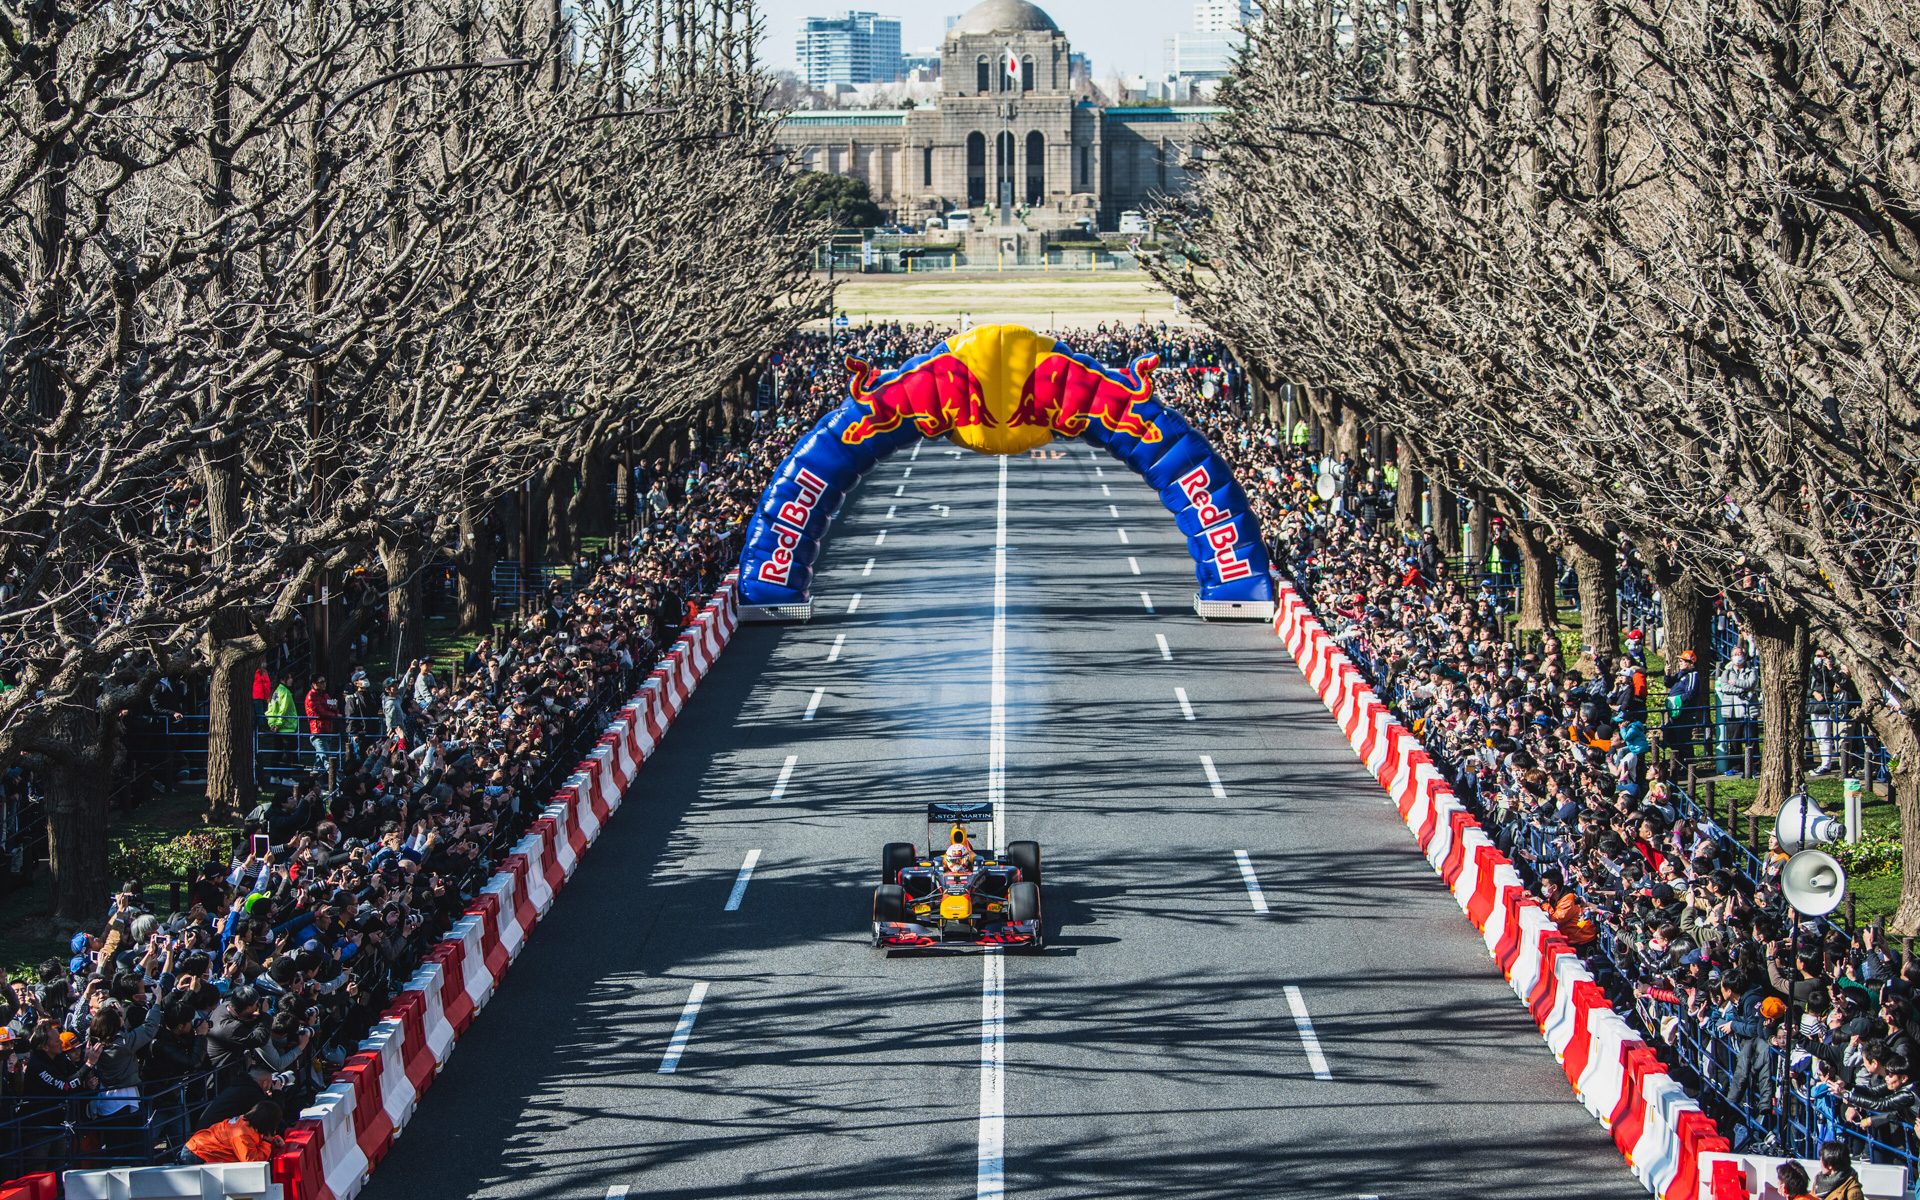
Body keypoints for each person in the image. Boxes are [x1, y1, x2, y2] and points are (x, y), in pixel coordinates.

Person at [179, 1101, 281, 1165]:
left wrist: (272, 1139)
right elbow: (252, 1163)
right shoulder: (242, 1133)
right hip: (198, 1154)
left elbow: (256, 1140)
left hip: (198, 1149)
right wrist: (267, 1142)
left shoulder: (248, 1122)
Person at [1715, 646, 1759, 777]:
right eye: (1735, 654)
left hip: (1748, 711)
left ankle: (1754, 766)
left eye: (1740, 654)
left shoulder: (1752, 671)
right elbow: (1724, 687)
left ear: (1744, 657)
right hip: (1732, 712)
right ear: (1731, 657)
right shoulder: (1727, 672)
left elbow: (1751, 684)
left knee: (1752, 740)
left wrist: (1735, 682)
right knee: (1734, 740)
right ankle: (1736, 766)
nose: (1738, 656)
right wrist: (1741, 690)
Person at [1539, 869, 1598, 946]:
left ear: (1554, 888)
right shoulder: (1554, 898)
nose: (1542, 888)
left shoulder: (1568, 900)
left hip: (1583, 940)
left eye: (1544, 886)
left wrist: (1542, 902)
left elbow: (1555, 920)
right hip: (1572, 938)